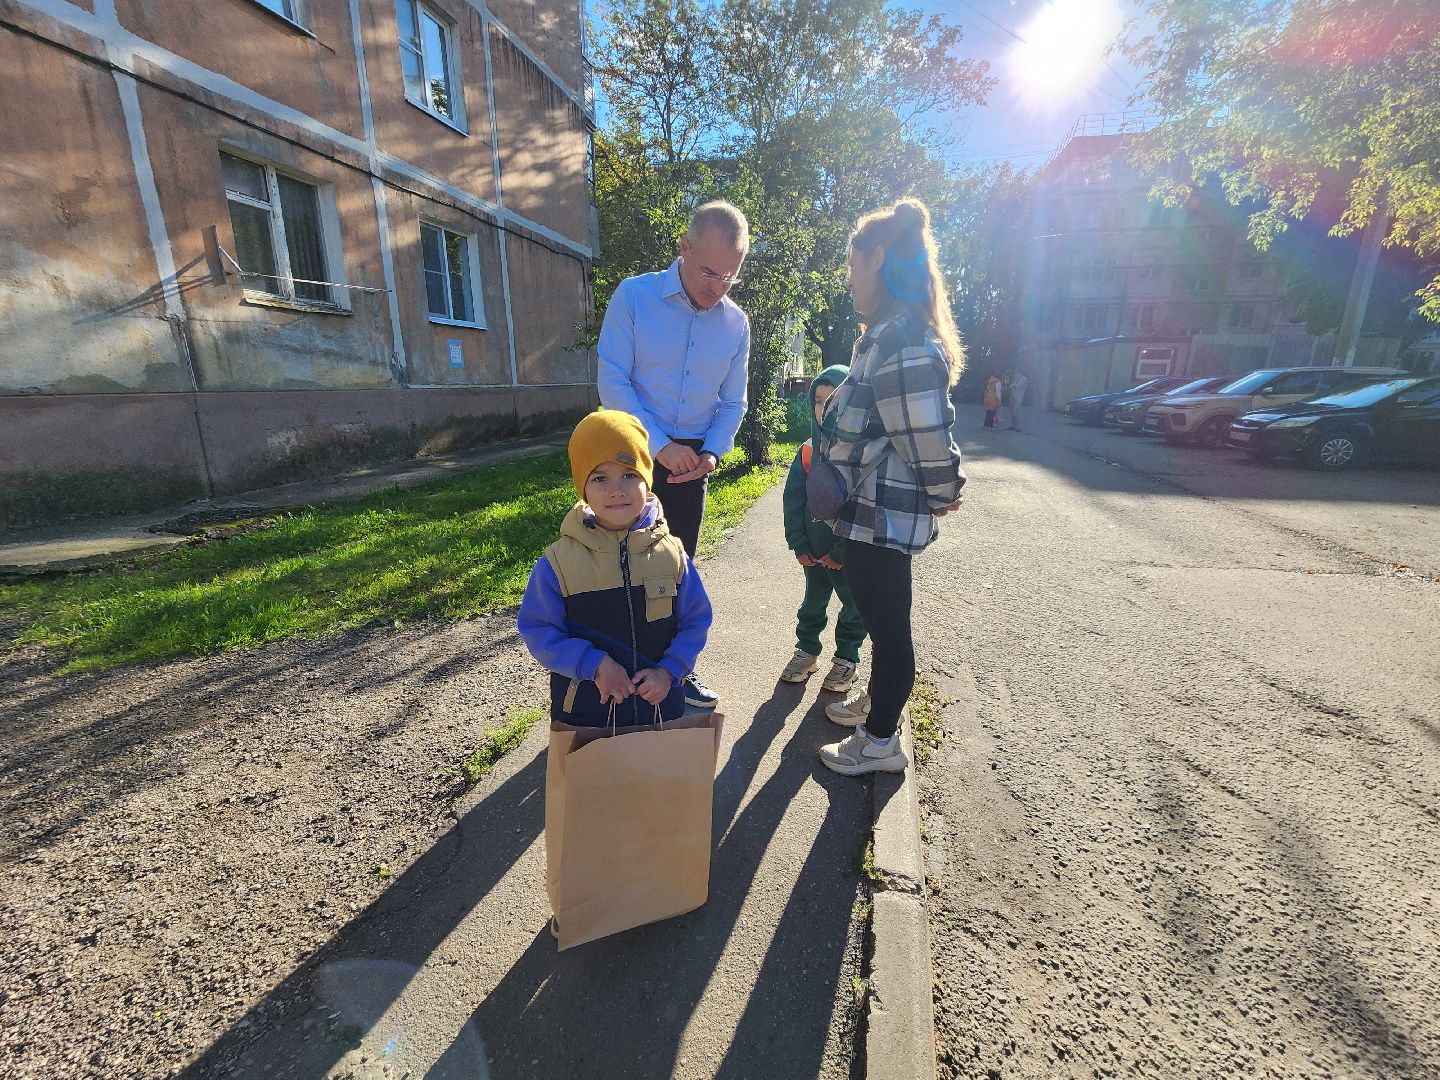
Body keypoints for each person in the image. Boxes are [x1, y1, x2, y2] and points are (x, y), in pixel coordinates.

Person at [813, 198, 966, 776]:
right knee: (881, 624)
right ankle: (879, 707)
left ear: (876, 258)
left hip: (883, 516)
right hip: (871, 513)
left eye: (853, 267)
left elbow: (925, 432)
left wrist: (947, 487)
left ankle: (879, 744)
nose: (849, 282)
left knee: (890, 631)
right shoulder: (887, 335)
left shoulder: (900, 339)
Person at [597, 201, 750, 709]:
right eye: (708, 271)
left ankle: (673, 674)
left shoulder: (735, 323)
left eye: (730, 276)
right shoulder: (635, 297)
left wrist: (711, 453)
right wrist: (660, 447)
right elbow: (613, 379)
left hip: (691, 469)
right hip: (630, 459)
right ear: (683, 249)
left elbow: (733, 402)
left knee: (676, 572)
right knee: (615, 570)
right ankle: (614, 681)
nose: (717, 287)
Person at [516, 410, 713, 730]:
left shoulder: (672, 555)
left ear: (647, 480)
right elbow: (539, 631)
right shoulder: (558, 565)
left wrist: (671, 670)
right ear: (583, 487)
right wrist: (592, 665)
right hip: (585, 713)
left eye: (629, 474)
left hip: (660, 710)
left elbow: (696, 620)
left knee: (658, 780)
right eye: (600, 478)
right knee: (593, 781)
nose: (616, 490)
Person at [779, 366, 866, 693]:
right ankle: (807, 650)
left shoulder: (859, 454)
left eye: (834, 401)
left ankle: (846, 658)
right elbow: (793, 500)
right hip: (813, 554)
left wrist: (841, 552)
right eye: (818, 401)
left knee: (853, 605)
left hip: (847, 556)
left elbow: (861, 508)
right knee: (812, 604)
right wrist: (799, 544)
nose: (824, 408)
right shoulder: (806, 451)